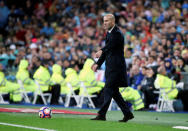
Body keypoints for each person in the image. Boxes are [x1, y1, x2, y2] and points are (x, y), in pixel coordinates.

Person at [91, 14, 134, 122]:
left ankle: (102, 114)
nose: (104, 23)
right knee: (114, 92)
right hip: (110, 67)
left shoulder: (117, 34)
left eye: (107, 21)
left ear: (113, 21)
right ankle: (127, 113)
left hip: (116, 68)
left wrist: (101, 50)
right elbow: (106, 52)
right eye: (104, 21)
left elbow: (109, 46)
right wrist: (98, 64)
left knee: (108, 89)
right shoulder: (109, 33)